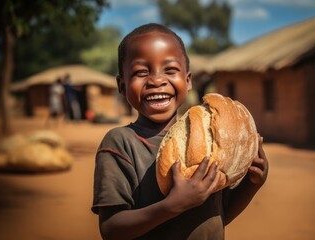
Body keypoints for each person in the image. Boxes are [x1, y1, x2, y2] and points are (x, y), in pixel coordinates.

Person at [92, 23, 269, 240]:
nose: (157, 80)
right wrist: (172, 206)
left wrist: (252, 184)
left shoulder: (211, 140)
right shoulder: (121, 143)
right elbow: (111, 229)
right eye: (141, 72)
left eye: (170, 70)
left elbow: (218, 216)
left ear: (188, 81)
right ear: (122, 85)